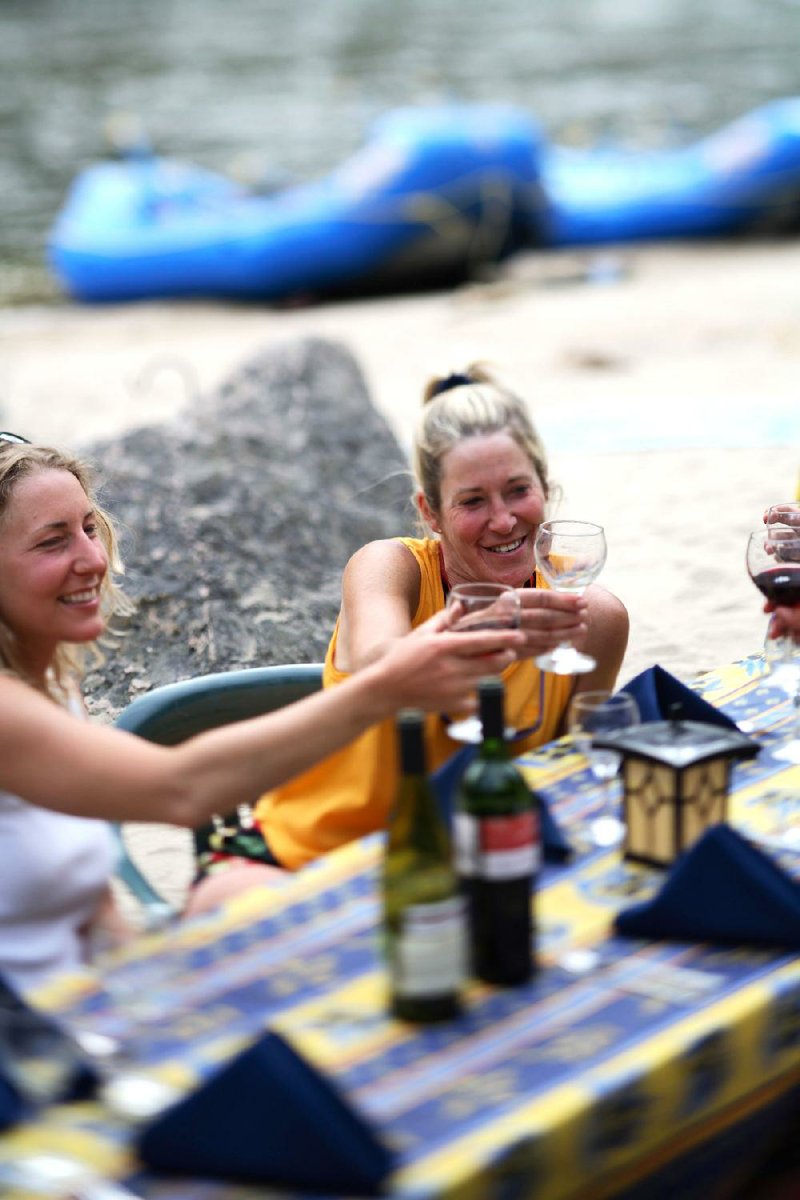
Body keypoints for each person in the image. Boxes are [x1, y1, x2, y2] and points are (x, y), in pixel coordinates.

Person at [0, 433, 523, 994]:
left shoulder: (54, 684)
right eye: (53, 543)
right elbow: (182, 790)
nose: (94, 559)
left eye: (88, 528)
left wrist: (145, 991)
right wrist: (383, 689)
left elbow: (95, 903)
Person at [248, 364, 629, 872]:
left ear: (545, 488)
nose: (503, 519)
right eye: (472, 501)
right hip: (312, 852)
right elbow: (380, 664)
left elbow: (574, 769)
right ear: (430, 513)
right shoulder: (390, 568)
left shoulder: (592, 622)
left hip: (472, 863)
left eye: (518, 490)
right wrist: (490, 625)